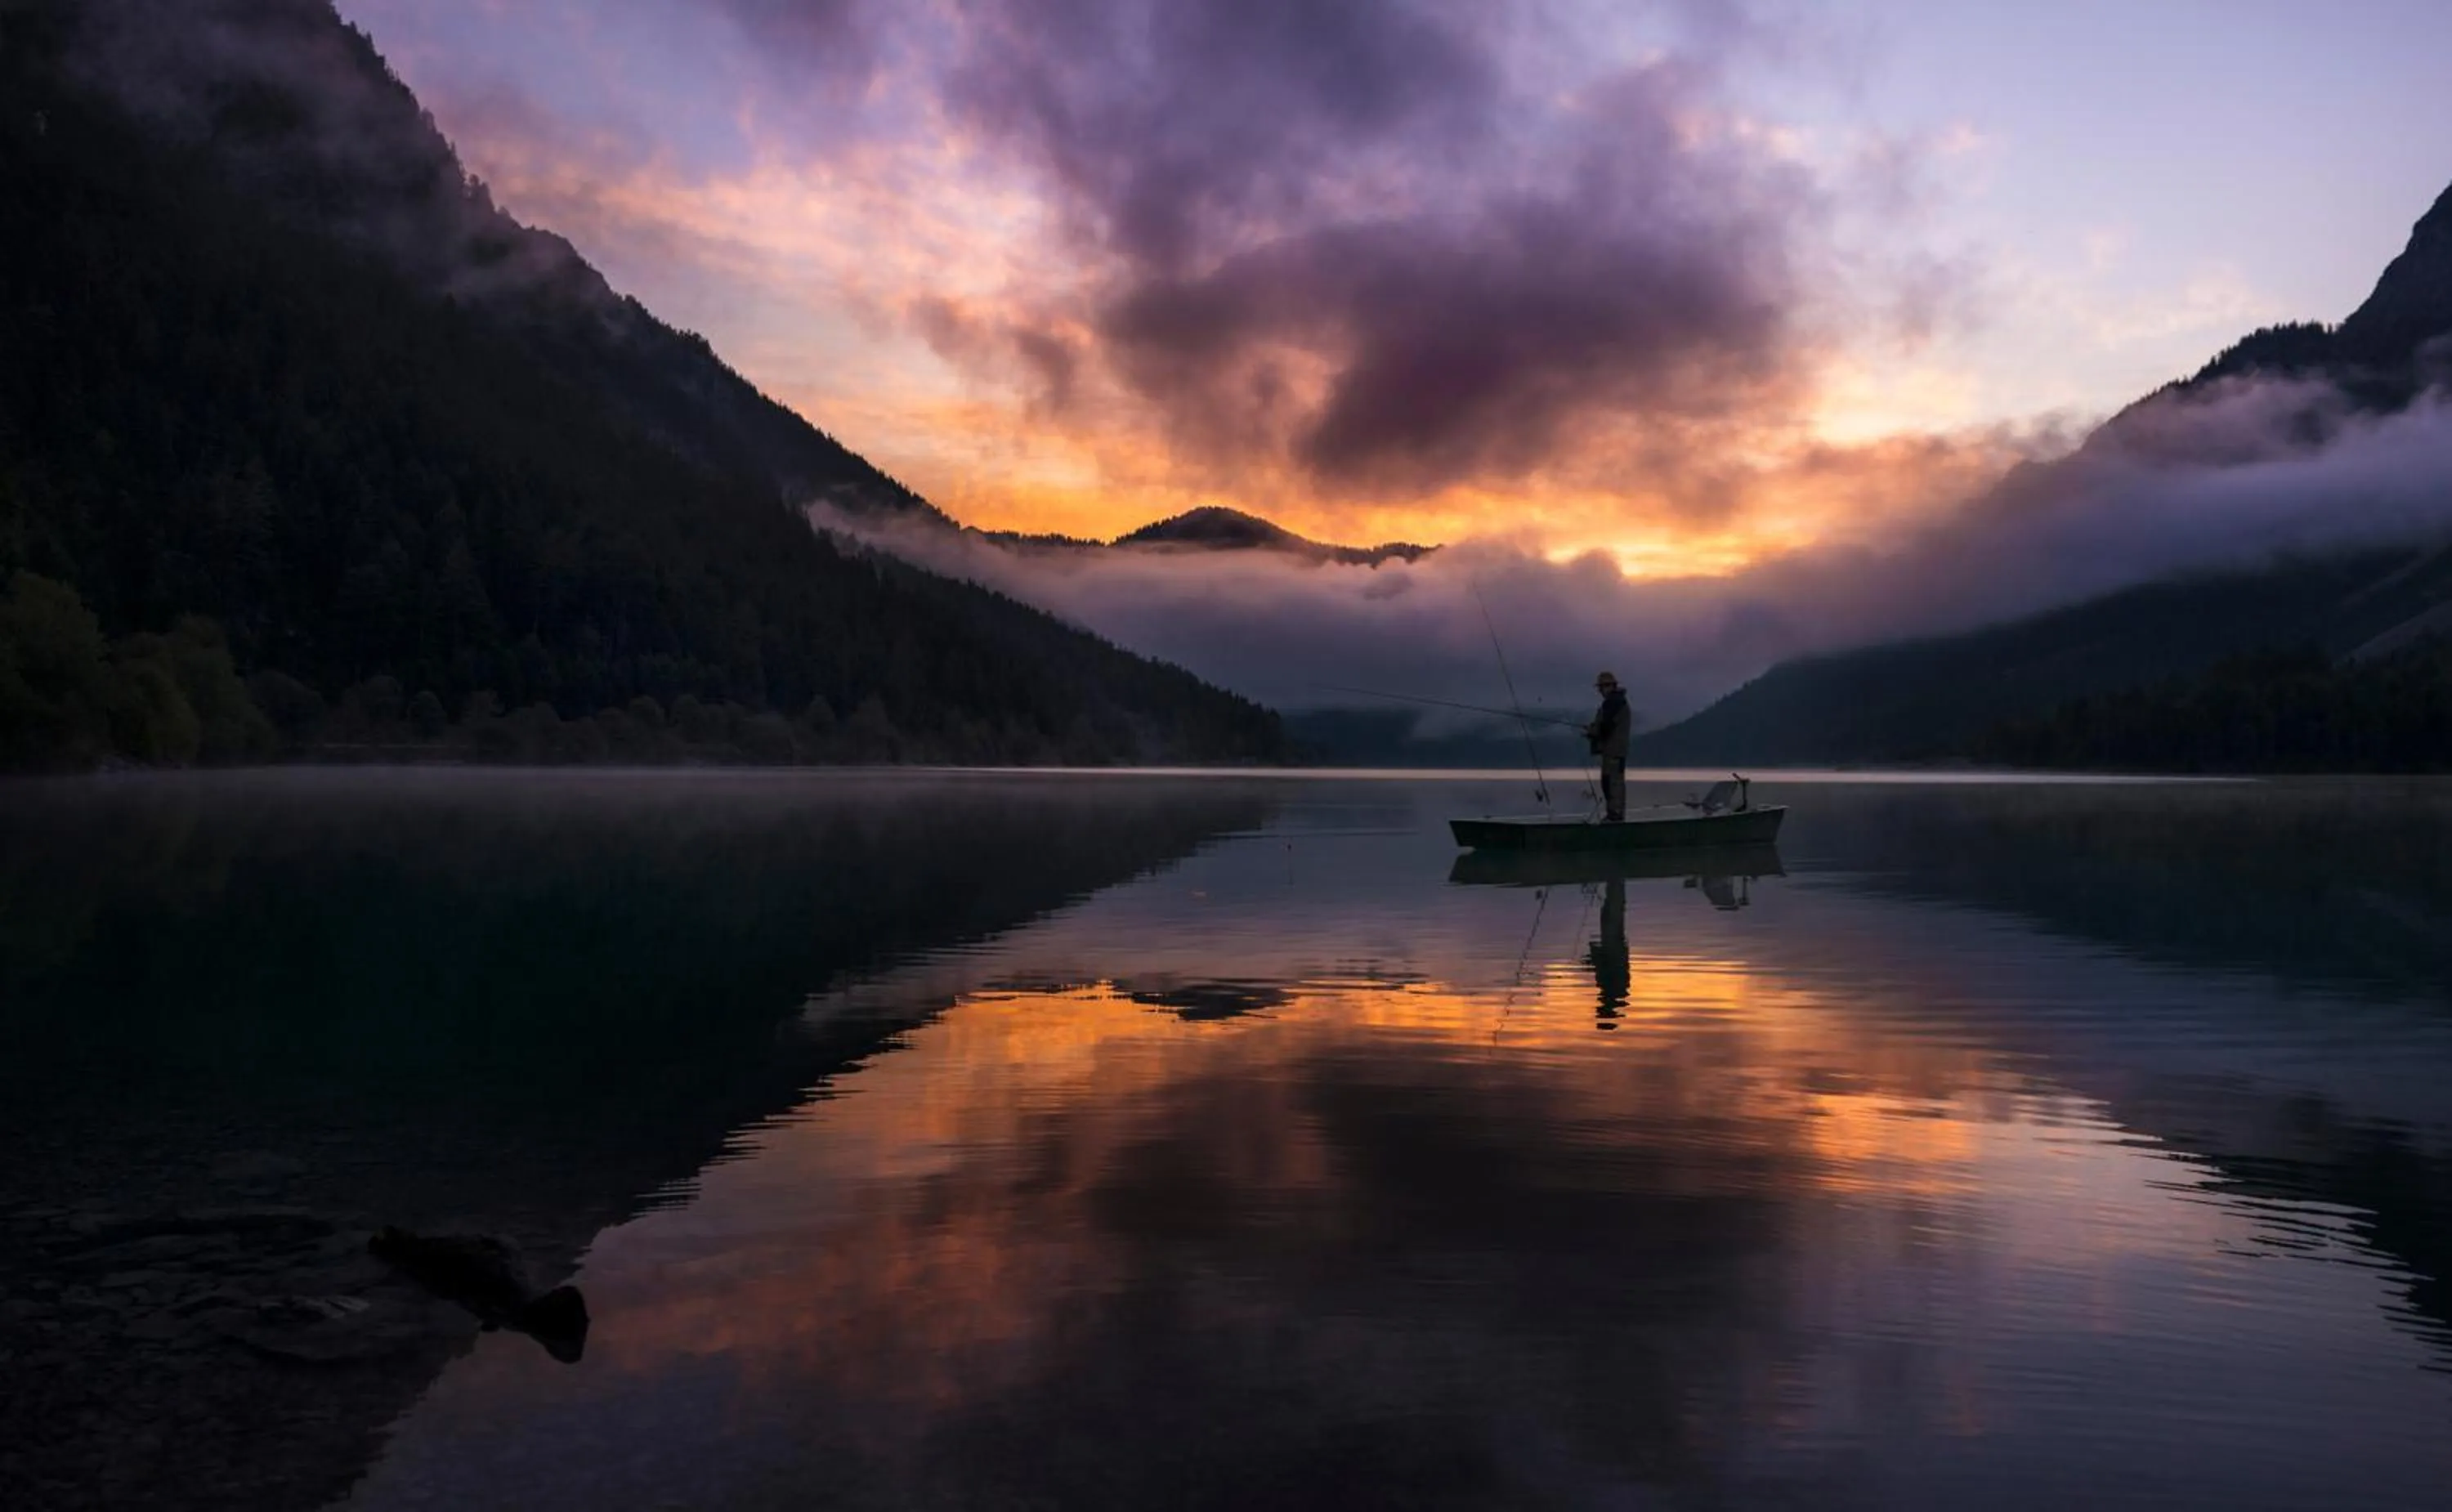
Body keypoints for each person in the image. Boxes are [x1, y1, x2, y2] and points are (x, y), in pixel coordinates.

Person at [1586, 671, 1631, 821]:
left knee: (1613, 785)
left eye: (1603, 687)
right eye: (1600, 687)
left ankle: (1615, 818)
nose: (1601, 691)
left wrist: (1592, 731)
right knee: (1609, 783)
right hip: (1613, 752)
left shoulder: (1614, 703)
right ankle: (1614, 816)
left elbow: (1605, 727)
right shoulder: (1617, 702)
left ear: (1611, 686)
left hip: (1614, 753)